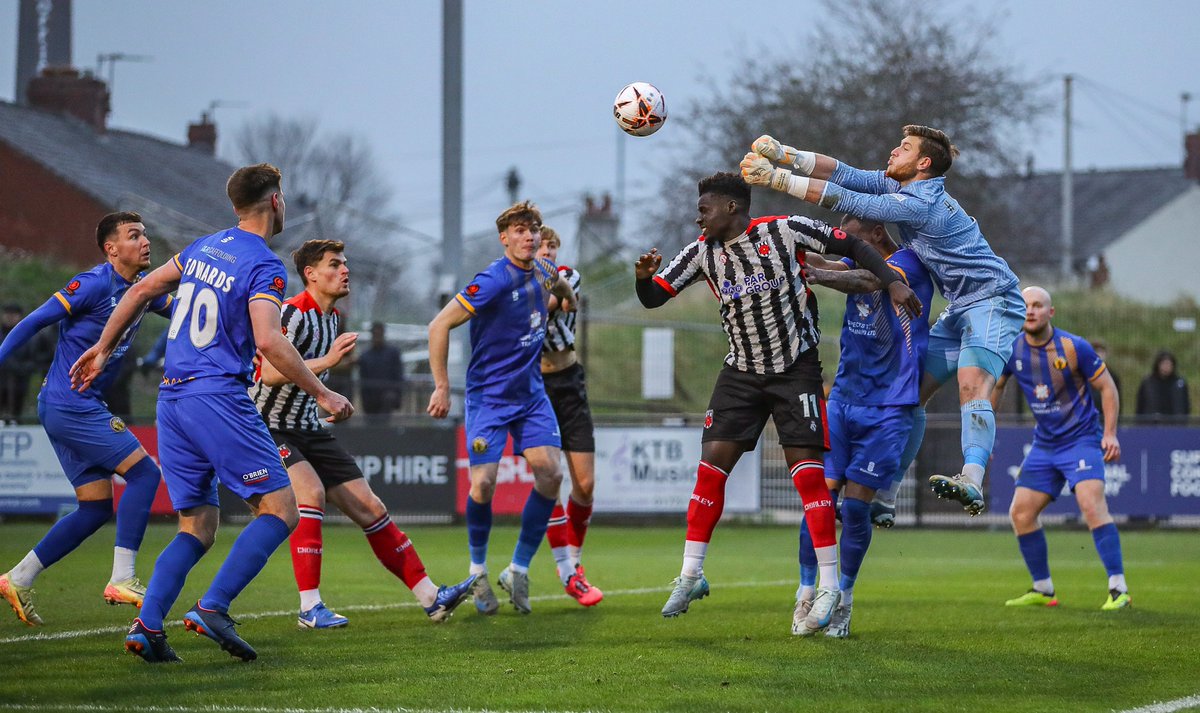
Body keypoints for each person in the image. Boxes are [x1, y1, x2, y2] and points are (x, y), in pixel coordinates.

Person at [71, 164, 354, 663]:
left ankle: (148, 626)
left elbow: (139, 289)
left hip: (172, 401)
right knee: (281, 509)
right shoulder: (263, 264)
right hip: (217, 397)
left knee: (197, 525)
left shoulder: (204, 246)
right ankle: (213, 608)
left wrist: (101, 347)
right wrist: (323, 393)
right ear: (275, 202)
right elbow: (269, 339)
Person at [634, 172, 919, 634]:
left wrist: (891, 282)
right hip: (741, 373)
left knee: (809, 479)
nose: (697, 216)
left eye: (703, 208)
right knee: (710, 468)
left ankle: (827, 587)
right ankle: (690, 574)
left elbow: (854, 246)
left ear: (730, 208)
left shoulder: (784, 230)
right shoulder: (700, 253)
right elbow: (653, 299)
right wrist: (642, 279)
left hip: (795, 370)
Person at [741, 125, 1024, 516]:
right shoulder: (899, 188)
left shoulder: (919, 203)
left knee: (971, 383)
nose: (893, 151)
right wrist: (786, 153)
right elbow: (845, 175)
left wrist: (776, 178)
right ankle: (887, 495)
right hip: (960, 305)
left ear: (923, 164)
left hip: (994, 299)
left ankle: (972, 480)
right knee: (909, 397)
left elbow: (847, 197)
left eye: (904, 147)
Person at [251, 239, 475, 628]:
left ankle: (431, 598)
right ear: (311, 274)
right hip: (269, 426)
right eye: (335, 264)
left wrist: (329, 402)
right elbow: (268, 373)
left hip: (308, 427)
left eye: (345, 264)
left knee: (371, 508)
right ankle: (309, 607)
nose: (345, 270)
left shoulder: (332, 319)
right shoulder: (292, 312)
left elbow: (302, 379)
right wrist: (330, 363)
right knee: (312, 494)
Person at [0, 213, 171, 627]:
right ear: (111, 249)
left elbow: (185, 311)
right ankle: (123, 577)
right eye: (134, 236)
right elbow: (34, 320)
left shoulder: (142, 290)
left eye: (145, 233)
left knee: (94, 508)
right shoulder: (93, 284)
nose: (145, 241)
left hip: (69, 405)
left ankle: (18, 577)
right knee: (146, 475)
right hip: (70, 404)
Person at [427, 200, 577, 615]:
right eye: (520, 230)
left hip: (530, 397)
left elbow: (565, 294)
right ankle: (477, 574)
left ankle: (518, 569)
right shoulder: (492, 280)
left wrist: (565, 294)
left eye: (533, 229)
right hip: (489, 399)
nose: (528, 236)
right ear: (504, 238)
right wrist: (442, 386)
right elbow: (438, 325)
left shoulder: (545, 274)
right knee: (484, 486)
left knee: (551, 473)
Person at [796, 214, 934, 638]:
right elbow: (840, 266)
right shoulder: (853, 260)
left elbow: (867, 280)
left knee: (855, 508)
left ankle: (845, 602)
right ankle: (805, 595)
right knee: (819, 501)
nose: (846, 246)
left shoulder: (907, 265)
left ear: (876, 235)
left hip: (890, 404)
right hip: (842, 399)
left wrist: (815, 274)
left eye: (853, 239)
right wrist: (795, 251)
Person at [990, 287, 1130, 610]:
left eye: (1038, 305)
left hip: (1081, 439)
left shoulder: (1073, 346)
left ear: (1050, 312)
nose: (1030, 311)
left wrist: (1109, 434)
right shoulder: (1012, 348)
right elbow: (996, 387)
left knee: (1091, 505)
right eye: (1025, 306)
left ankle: (1118, 588)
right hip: (1045, 443)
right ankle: (1043, 589)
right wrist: (984, 438)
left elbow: (1107, 388)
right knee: (1021, 513)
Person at [534, 226, 602, 607]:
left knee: (586, 484)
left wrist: (546, 289)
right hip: (535, 387)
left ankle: (575, 561)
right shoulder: (520, 284)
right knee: (550, 476)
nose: (548, 251)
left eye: (553, 246)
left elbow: (560, 303)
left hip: (569, 382)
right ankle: (568, 570)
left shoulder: (568, 275)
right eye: (543, 246)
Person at [358, 321, 404, 415]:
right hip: (370, 400)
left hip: (387, 398)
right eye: (375, 334)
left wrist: (396, 396)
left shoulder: (393, 353)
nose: (377, 336)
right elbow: (363, 378)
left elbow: (398, 375)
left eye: (379, 333)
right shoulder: (365, 356)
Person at [1135, 351, 1190, 423]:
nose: (1166, 367)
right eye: (1164, 364)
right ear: (1158, 364)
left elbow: (1185, 406)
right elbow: (1140, 406)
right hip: (1151, 426)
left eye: (1169, 364)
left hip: (1175, 427)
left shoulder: (1179, 384)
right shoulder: (1148, 383)